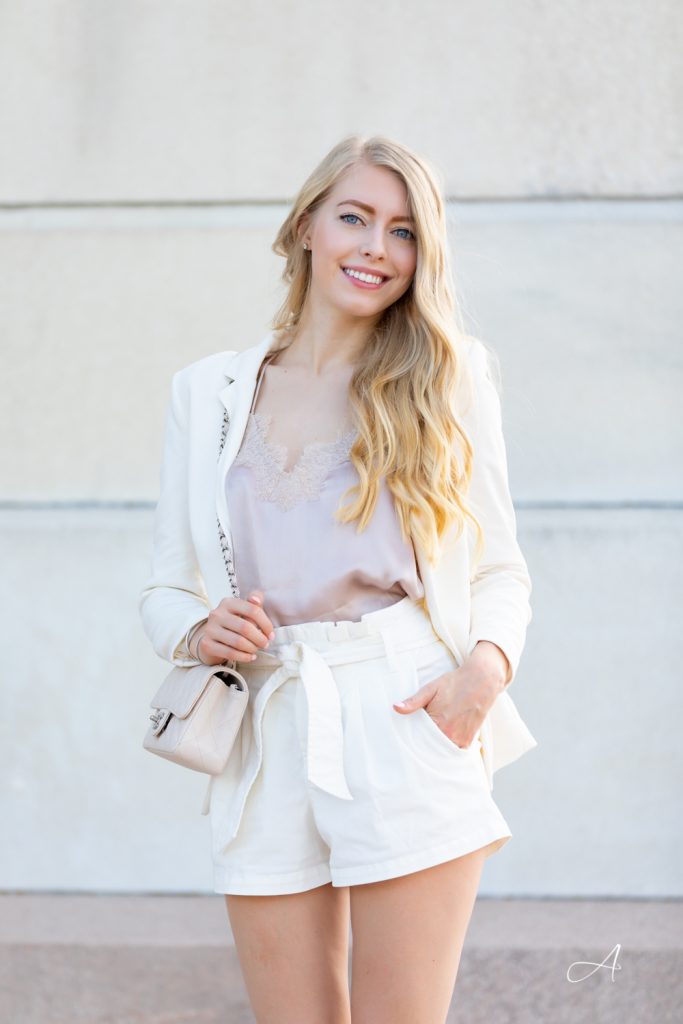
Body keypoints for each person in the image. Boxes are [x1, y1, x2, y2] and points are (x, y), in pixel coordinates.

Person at [139, 134, 536, 1024]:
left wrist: (481, 675)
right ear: (307, 226)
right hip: (265, 720)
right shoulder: (206, 392)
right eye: (354, 217)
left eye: (402, 233)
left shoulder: (445, 376)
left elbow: (500, 566)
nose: (374, 248)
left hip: (404, 710)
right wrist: (198, 633)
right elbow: (165, 587)